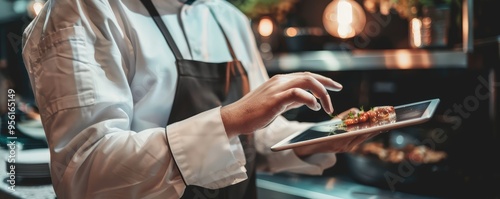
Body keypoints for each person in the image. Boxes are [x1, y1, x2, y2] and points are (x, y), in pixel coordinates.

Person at [21, 0, 377, 198]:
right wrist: (230, 118)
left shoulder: (228, 18)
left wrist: (323, 137)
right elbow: (85, 173)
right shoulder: (83, 9)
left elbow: (255, 140)